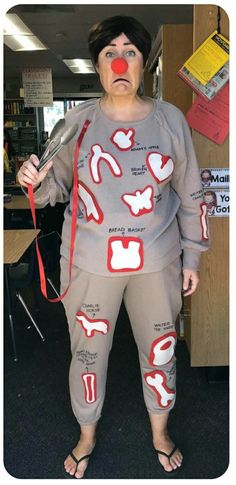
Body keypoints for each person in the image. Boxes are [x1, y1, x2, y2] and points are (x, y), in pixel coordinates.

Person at [17, 15, 210, 479]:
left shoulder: (170, 121)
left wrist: (193, 254)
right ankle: (87, 434)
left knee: (161, 349)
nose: (120, 61)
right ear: (99, 65)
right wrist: (34, 181)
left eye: (130, 52)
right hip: (88, 263)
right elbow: (53, 189)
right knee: (87, 353)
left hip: (157, 262)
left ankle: (159, 432)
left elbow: (191, 193)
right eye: (110, 53)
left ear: (142, 64)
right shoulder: (75, 124)